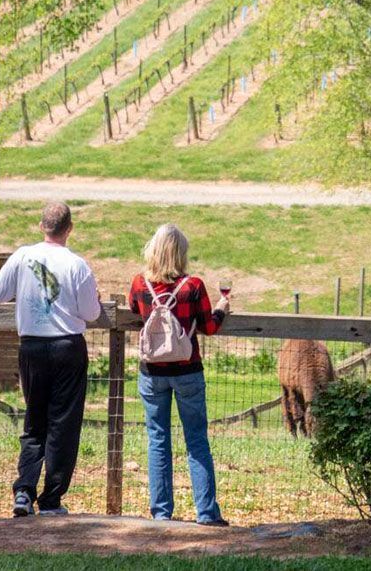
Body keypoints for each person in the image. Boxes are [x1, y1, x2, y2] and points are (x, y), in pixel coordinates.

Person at [0, 201, 102, 518]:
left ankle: (24, 492)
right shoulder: (77, 265)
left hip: (31, 348)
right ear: (69, 229)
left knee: (34, 421)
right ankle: (52, 499)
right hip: (68, 347)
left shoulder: (22, 256)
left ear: (42, 226)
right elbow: (92, 313)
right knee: (63, 425)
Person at [128, 223, 230, 526]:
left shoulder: (139, 283)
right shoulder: (193, 286)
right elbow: (208, 327)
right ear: (180, 254)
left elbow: (136, 311)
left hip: (152, 372)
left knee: (158, 439)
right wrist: (222, 308)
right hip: (187, 370)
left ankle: (161, 513)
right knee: (196, 440)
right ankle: (207, 513)